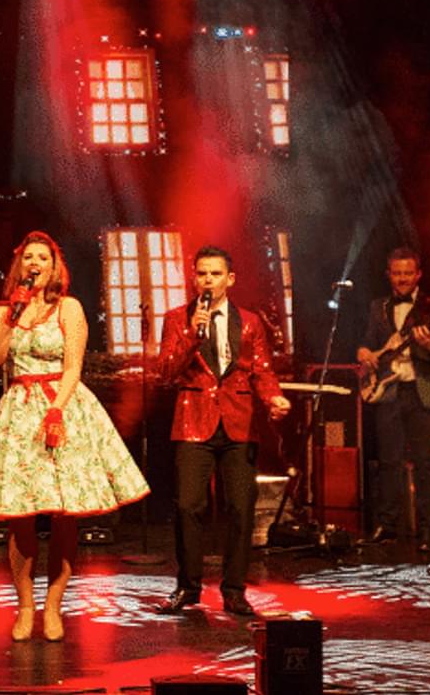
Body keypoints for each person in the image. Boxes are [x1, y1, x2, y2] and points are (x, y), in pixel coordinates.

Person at [0, 231, 149, 641]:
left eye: (43, 258)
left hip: (61, 405)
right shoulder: (4, 312)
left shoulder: (68, 308)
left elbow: (74, 366)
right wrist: (11, 316)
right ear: (20, 266)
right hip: (19, 409)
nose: (35, 264)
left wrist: (56, 409)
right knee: (21, 518)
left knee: (65, 514)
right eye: (28, 257)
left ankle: (53, 606)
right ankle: (25, 606)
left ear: (54, 266)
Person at [155, 245, 290, 617]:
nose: (207, 280)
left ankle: (234, 590)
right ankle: (188, 586)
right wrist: (191, 334)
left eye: (215, 274)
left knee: (241, 508)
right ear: (193, 277)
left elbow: (261, 369)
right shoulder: (177, 318)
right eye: (201, 274)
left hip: (239, 421)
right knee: (187, 505)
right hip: (193, 420)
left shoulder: (249, 321)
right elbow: (166, 370)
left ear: (229, 279)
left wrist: (274, 398)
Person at [356, 246, 430, 552]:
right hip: (389, 390)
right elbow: (369, 342)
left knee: (424, 463)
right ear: (389, 275)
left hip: (422, 391)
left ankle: (427, 530)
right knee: (389, 462)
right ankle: (388, 525)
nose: (402, 279)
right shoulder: (378, 307)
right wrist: (364, 352)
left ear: (418, 275)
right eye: (397, 274)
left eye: (408, 273)